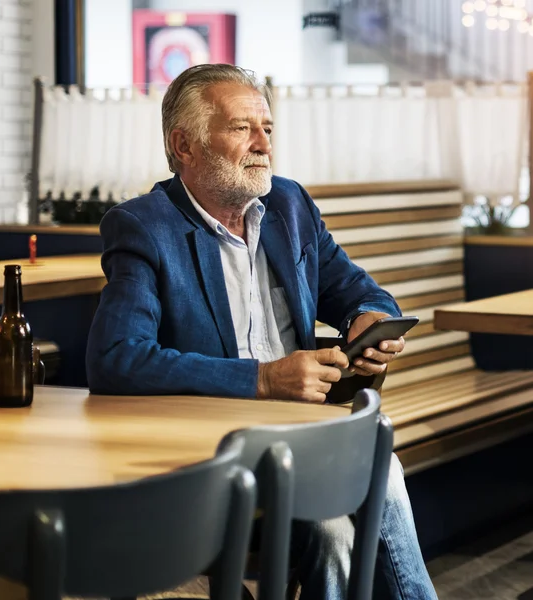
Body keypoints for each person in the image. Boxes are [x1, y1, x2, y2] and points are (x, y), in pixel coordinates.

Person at [86, 64, 438, 600]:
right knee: (339, 516)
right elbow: (115, 359)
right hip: (214, 446)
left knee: (371, 471)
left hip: (299, 432)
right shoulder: (144, 226)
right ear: (185, 146)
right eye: (240, 128)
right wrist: (263, 380)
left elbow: (358, 290)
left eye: (267, 129)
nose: (262, 144)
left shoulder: (289, 206)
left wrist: (368, 317)